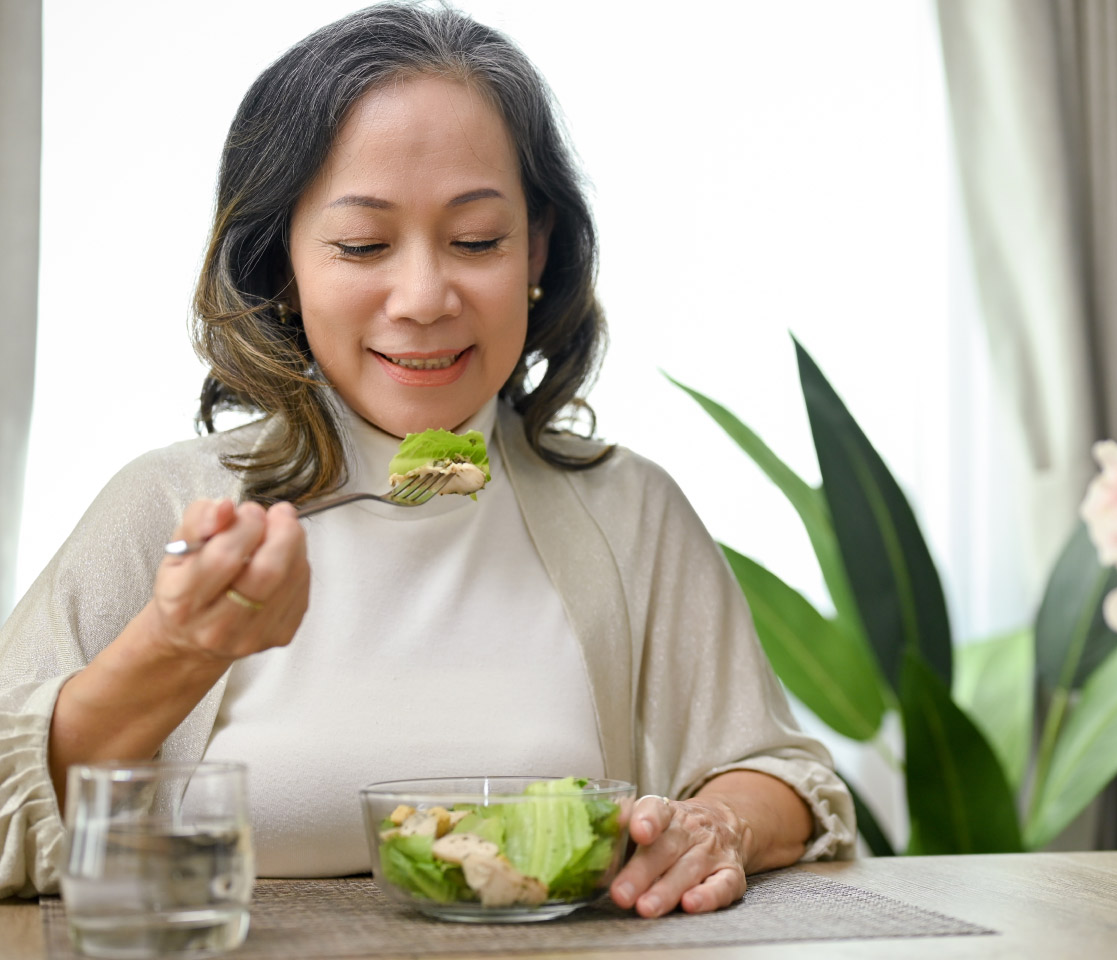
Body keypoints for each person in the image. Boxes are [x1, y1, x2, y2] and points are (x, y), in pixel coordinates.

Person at [0, 2, 855, 912]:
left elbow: (780, 775)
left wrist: (715, 825)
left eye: (476, 241)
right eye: (363, 245)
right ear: (284, 266)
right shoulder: (170, 505)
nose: (422, 297)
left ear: (538, 249)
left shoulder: (627, 508)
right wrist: (177, 650)